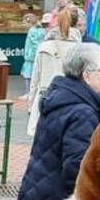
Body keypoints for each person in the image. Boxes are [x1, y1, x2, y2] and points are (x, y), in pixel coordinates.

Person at [12, 42, 100, 200]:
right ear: (87, 74)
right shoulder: (82, 112)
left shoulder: (61, 99)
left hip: (43, 199)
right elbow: (78, 169)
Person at [25, 10, 84, 142]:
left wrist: (31, 104)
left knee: (41, 148)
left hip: (45, 98)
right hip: (71, 102)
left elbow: (35, 79)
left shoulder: (44, 46)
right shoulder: (80, 50)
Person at [20, 13, 51, 99]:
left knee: (28, 75)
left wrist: (31, 54)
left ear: (29, 22)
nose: (24, 25)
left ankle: (28, 93)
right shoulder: (42, 31)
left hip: (30, 57)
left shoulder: (32, 31)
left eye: (24, 23)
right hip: (35, 56)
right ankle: (32, 93)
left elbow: (34, 44)